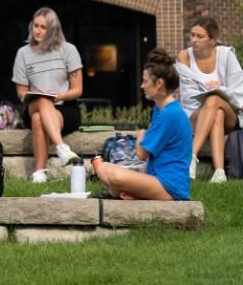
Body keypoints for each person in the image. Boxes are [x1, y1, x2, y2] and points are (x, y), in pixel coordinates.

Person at [92, 49, 192, 201]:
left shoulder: (169, 114)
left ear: (159, 84)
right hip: (157, 178)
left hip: (170, 187)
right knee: (107, 170)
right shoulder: (160, 109)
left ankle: (128, 193)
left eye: (145, 81)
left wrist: (141, 135)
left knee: (108, 171)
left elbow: (142, 153)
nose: (141, 86)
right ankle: (130, 193)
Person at [12, 7, 83, 183]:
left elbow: (77, 90)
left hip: (65, 108)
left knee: (38, 119)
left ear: (53, 30)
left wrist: (57, 96)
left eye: (43, 27)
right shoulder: (23, 53)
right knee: (42, 100)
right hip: (33, 104)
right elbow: (21, 92)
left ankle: (39, 173)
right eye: (35, 25)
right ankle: (61, 147)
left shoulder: (68, 50)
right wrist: (37, 95)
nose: (38, 30)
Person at [175, 16, 243, 183]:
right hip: (195, 113)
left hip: (230, 115)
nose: (194, 40)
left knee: (213, 100)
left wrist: (220, 88)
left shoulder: (226, 55)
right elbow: (188, 96)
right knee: (216, 112)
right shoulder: (185, 56)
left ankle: (191, 156)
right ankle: (220, 172)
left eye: (200, 36)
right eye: (192, 35)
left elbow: (239, 93)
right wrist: (212, 89)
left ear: (212, 40)